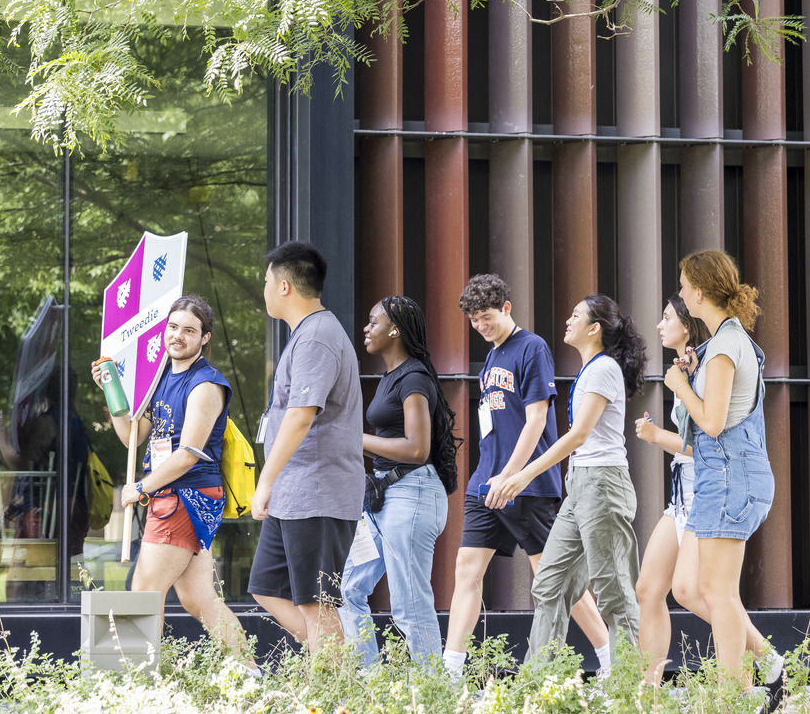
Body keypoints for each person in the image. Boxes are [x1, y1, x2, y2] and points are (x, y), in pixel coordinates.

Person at [444, 273, 609, 680]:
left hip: (526, 484)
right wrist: (493, 476)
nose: (480, 325)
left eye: (486, 316)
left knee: (556, 577)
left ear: (506, 308)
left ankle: (610, 661)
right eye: (473, 320)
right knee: (466, 569)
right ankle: (450, 672)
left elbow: (537, 419)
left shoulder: (531, 348)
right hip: (486, 482)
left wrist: (511, 474)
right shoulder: (492, 358)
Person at [92, 295, 254, 662]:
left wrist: (140, 488)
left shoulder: (206, 385)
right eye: (173, 327)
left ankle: (140, 682)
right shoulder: (161, 376)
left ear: (205, 338)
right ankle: (249, 673)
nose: (178, 336)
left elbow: (187, 455)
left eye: (189, 330)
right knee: (199, 599)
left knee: (144, 592)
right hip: (174, 495)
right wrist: (110, 391)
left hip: (185, 495)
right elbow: (133, 436)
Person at [487, 295, 646, 669]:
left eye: (576, 316)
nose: (568, 320)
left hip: (603, 484)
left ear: (594, 329)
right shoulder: (590, 369)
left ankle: (628, 688)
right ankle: (538, 684)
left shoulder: (603, 368)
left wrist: (522, 475)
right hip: (581, 486)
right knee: (549, 584)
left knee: (613, 590)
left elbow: (579, 435)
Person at [634, 297, 781, 686]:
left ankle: (755, 675)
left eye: (666, 317)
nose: (659, 324)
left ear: (686, 325)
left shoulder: (717, 355)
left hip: (710, 485)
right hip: (684, 491)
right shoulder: (696, 364)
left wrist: (657, 434)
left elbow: (707, 437)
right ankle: (648, 691)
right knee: (653, 588)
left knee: (704, 591)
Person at [661, 250, 778, 707]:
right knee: (689, 588)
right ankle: (772, 668)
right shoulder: (721, 343)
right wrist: (693, 373)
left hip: (731, 478)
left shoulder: (727, 345)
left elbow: (711, 422)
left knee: (717, 591)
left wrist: (680, 387)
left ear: (700, 292)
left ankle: (735, 700)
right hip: (721, 478)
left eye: (684, 285)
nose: (681, 292)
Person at [249, 241, 364, 651]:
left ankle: (332, 681)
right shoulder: (307, 334)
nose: (264, 289)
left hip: (317, 491)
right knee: (266, 588)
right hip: (294, 493)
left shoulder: (317, 337)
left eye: (267, 281)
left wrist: (265, 481)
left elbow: (300, 415)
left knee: (317, 605)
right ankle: (334, 662)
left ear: (284, 286)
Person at [339, 296, 459, 666]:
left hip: (412, 494)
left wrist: (352, 438)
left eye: (373, 321)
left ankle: (432, 691)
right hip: (383, 496)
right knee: (348, 589)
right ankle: (368, 682)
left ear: (395, 330)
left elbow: (417, 449)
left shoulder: (414, 377)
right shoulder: (392, 377)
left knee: (409, 605)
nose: (366, 328)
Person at [0, 367, 93, 563]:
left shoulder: (50, 421)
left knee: (28, 575)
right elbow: (43, 472)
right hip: (70, 508)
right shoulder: (75, 421)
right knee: (66, 568)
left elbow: (21, 465)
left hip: (46, 513)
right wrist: (16, 503)